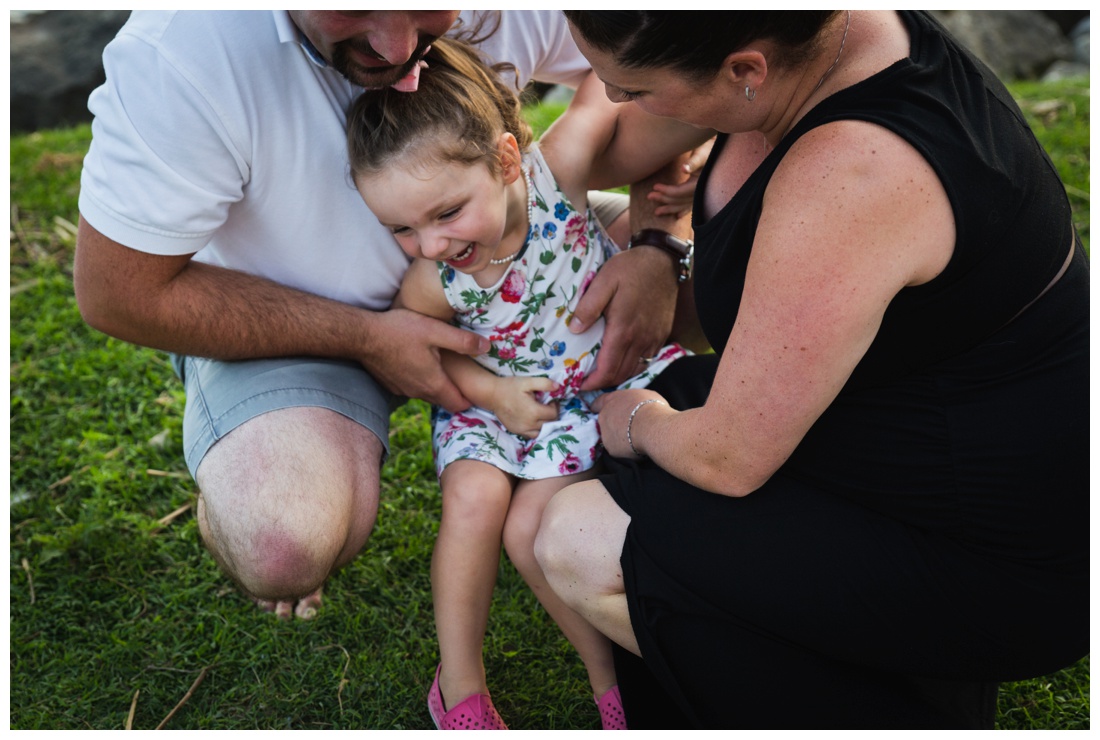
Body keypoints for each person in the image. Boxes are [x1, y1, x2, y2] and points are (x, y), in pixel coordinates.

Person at [534, 11, 1089, 729]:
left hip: (992, 548)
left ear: (745, 71)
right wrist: (656, 246)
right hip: (892, 416)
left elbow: (729, 459)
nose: (608, 99)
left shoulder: (853, 175)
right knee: (652, 406)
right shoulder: (808, 37)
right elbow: (607, 154)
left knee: (577, 536)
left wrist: (634, 424)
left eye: (630, 86)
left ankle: (877, 707)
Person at [73, 11, 694, 621]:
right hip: (286, 324)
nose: (397, 47)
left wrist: (657, 241)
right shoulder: (179, 51)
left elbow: (678, 65)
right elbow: (118, 294)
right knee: (281, 543)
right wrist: (370, 337)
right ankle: (231, 479)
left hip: (514, 259)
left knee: (739, 263)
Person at [345, 37, 690, 730]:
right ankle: (461, 685)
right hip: (493, 402)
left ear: (506, 159)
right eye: (402, 229)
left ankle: (609, 681)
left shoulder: (554, 175)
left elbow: (602, 84)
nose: (433, 243)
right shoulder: (435, 279)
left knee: (534, 532)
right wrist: (494, 394)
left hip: (580, 399)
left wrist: (668, 167)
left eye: (445, 213)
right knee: (473, 505)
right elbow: (428, 355)